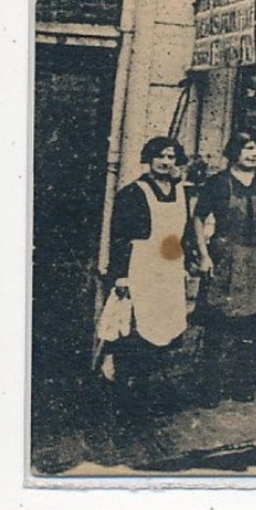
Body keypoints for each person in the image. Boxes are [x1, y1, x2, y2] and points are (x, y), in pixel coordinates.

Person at [191, 129, 256, 405]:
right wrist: (203, 255)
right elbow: (198, 219)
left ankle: (241, 383)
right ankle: (211, 387)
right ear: (235, 152)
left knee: (251, 324)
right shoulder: (218, 183)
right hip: (225, 258)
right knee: (218, 324)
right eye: (247, 148)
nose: (253, 154)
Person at [102, 136, 194, 413]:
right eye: (160, 156)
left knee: (165, 331)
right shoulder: (133, 193)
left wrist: (185, 265)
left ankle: (148, 392)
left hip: (170, 268)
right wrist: (121, 277)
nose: (166, 162)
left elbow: (182, 235)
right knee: (135, 332)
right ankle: (124, 398)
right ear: (149, 159)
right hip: (140, 269)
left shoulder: (180, 193)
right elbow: (118, 237)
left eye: (171, 157)